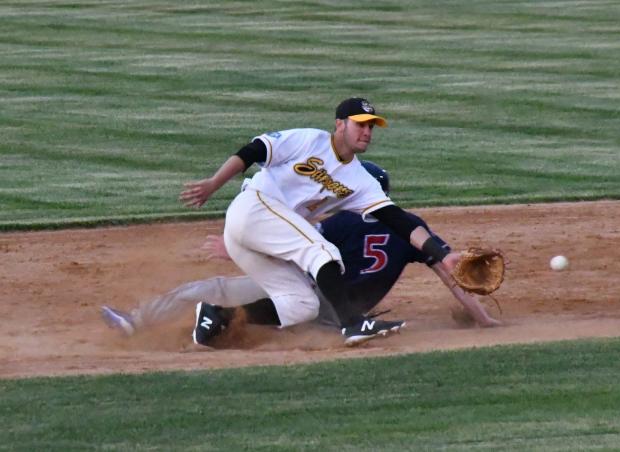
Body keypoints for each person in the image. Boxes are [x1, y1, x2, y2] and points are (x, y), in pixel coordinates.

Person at [175, 97, 478, 345]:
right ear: (340, 124)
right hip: (253, 208)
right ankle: (353, 325)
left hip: (262, 235)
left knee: (302, 306)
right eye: (360, 125)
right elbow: (254, 150)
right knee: (323, 253)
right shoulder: (308, 140)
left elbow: (398, 220)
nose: (367, 132)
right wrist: (213, 184)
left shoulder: (360, 180)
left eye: (371, 126)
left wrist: (443, 253)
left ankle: (216, 317)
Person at [101, 161, 499, 345]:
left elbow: (295, 248)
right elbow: (451, 275)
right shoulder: (412, 227)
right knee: (268, 312)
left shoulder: (344, 222)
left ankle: (140, 323)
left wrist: (240, 246)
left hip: (311, 301)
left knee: (217, 287)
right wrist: (481, 318)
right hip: (341, 317)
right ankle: (216, 326)